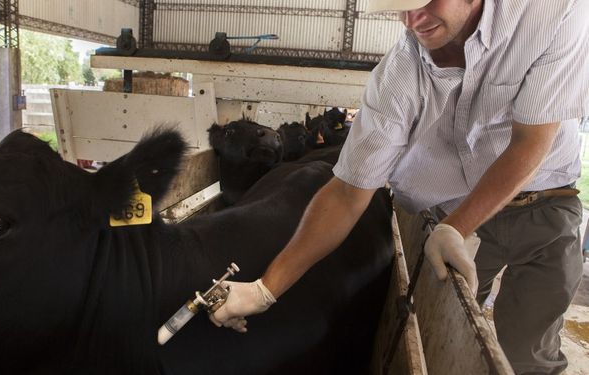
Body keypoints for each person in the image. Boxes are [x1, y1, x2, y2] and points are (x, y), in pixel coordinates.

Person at [209, 0, 589, 373]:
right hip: (454, 210)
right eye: (401, 7)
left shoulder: (551, 12)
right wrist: (265, 289)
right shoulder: (399, 75)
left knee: (528, 356)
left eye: (425, 2)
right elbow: (346, 193)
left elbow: (530, 141)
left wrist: (455, 228)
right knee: (443, 338)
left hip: (545, 202)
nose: (412, 20)